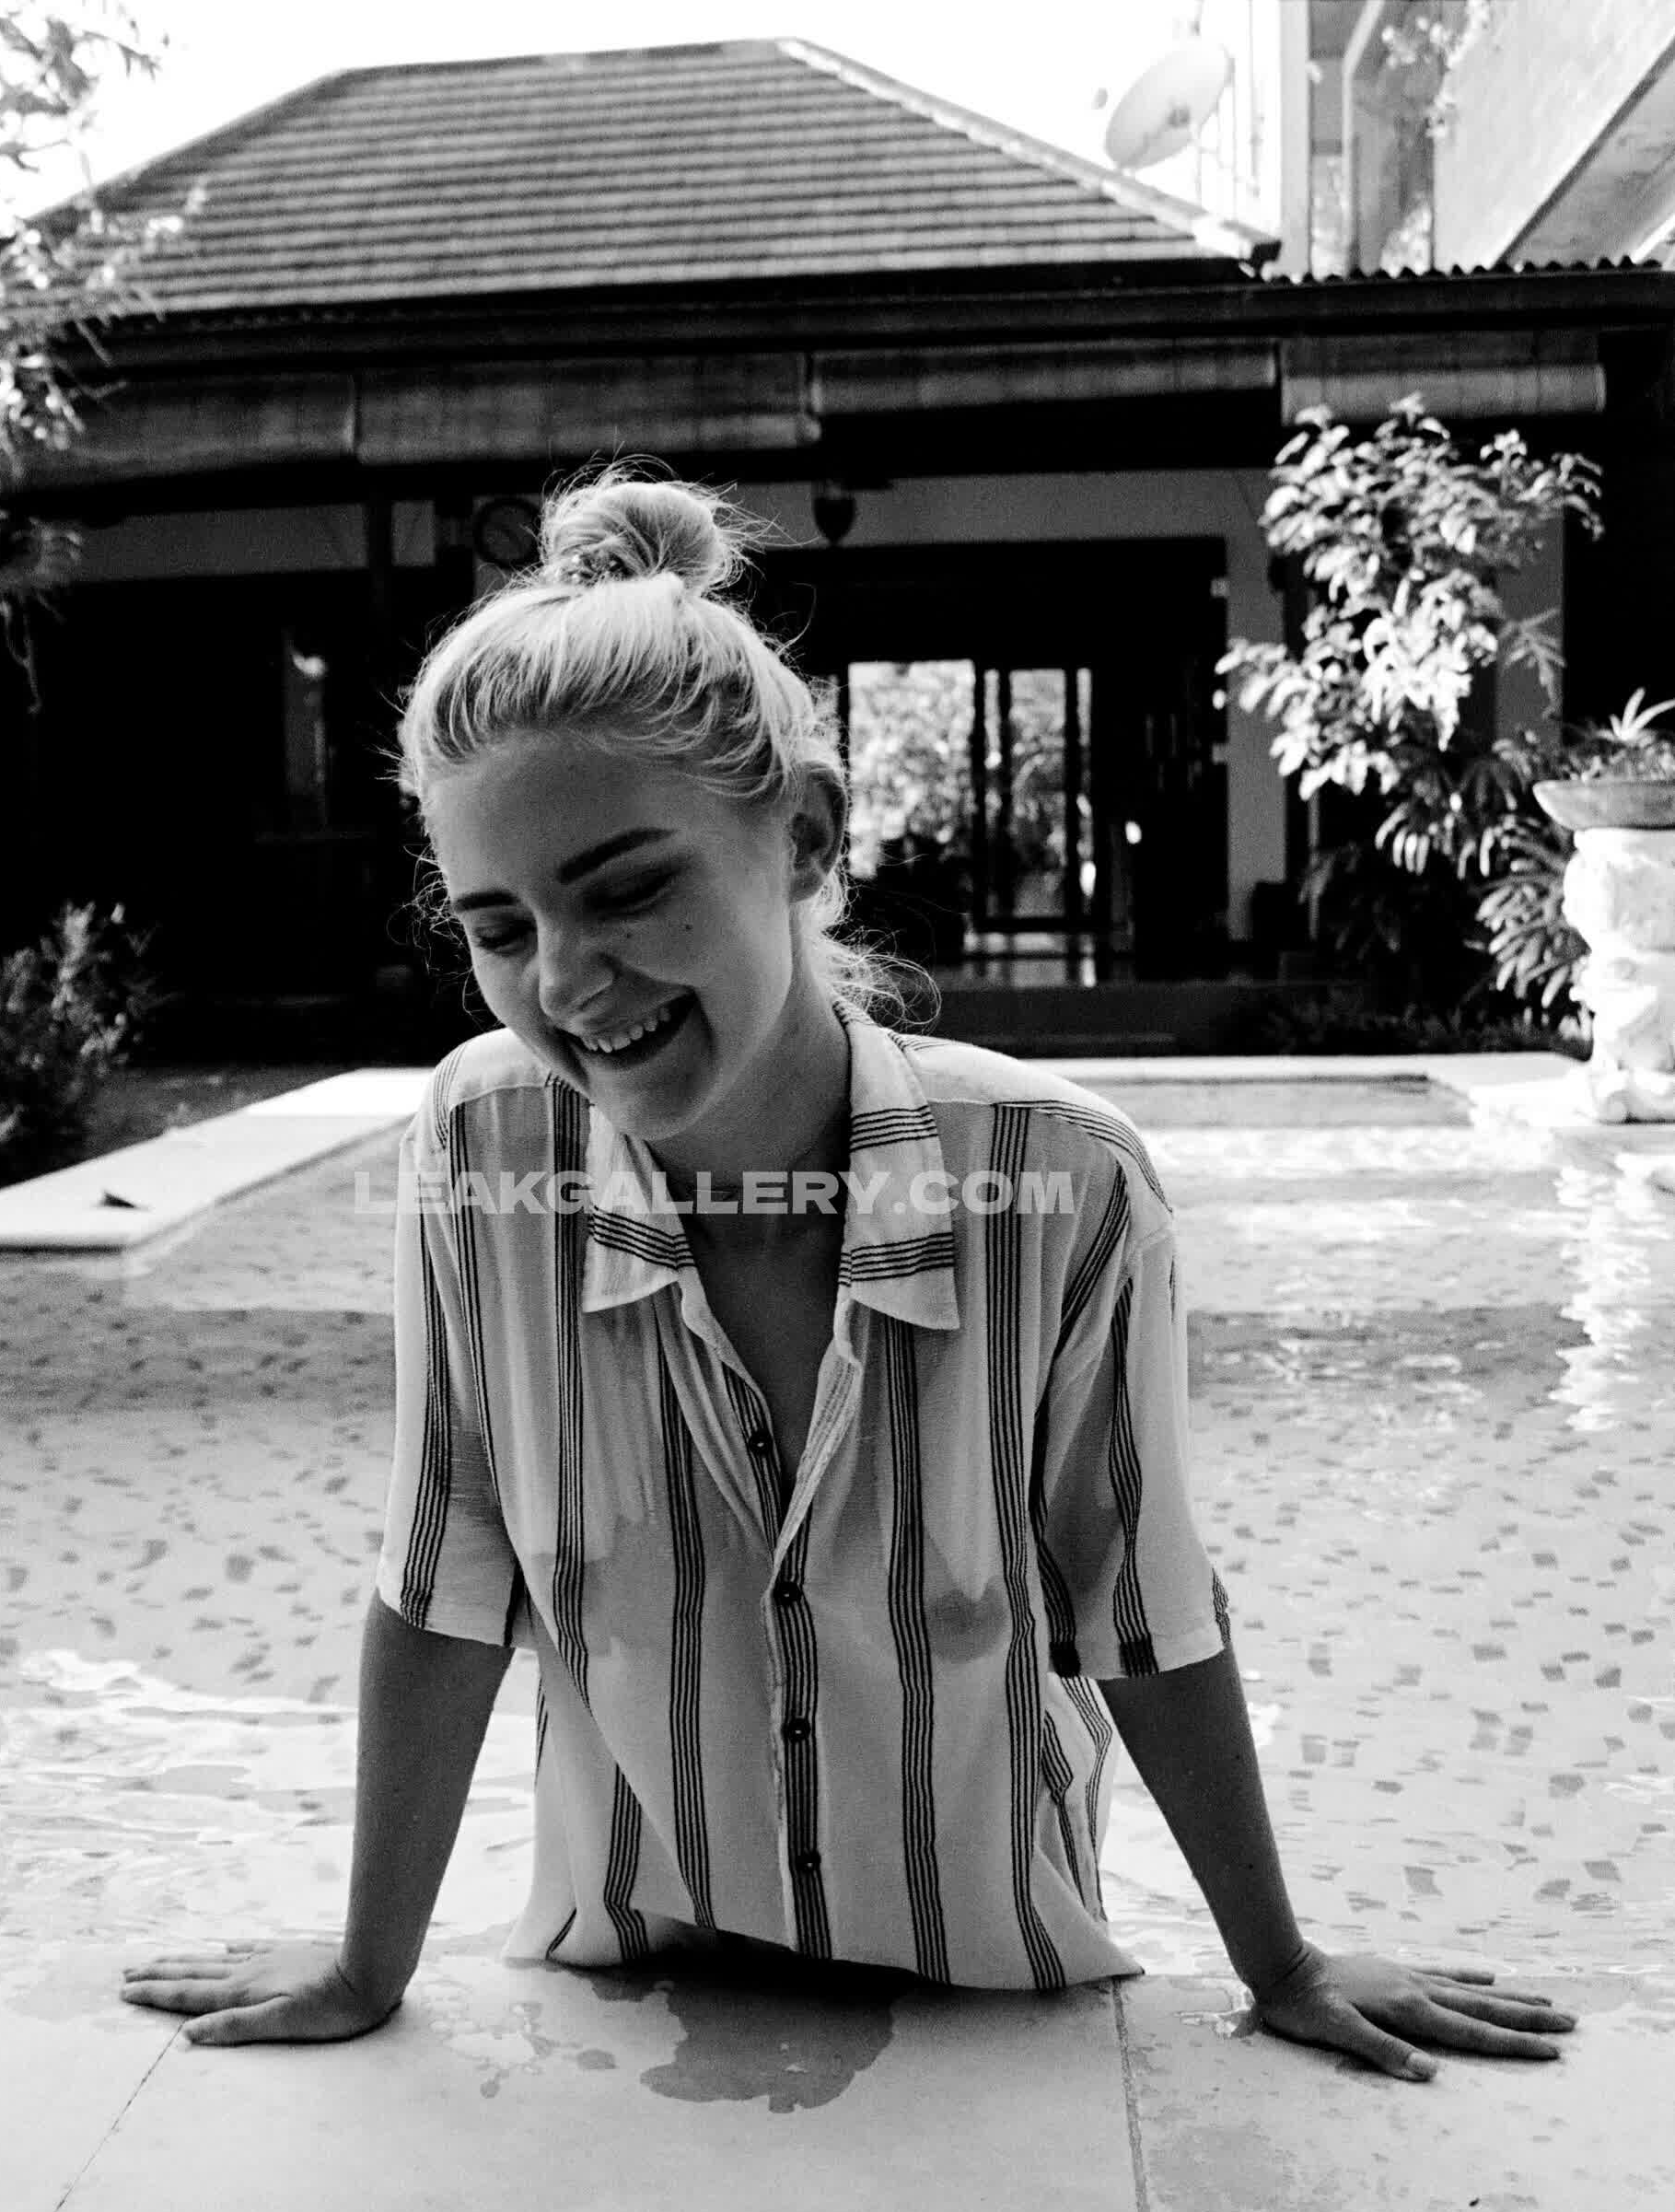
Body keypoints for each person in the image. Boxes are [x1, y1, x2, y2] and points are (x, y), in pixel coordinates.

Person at [122, 470, 1575, 2081]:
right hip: (626, 2004)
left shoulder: (1058, 1184)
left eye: (628, 888)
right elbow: (443, 1563)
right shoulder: (481, 1147)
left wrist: (1280, 1964)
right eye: (500, 925)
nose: (568, 981)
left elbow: (1137, 1592)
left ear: (803, 836)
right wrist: (363, 1963)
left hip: (987, 2009)